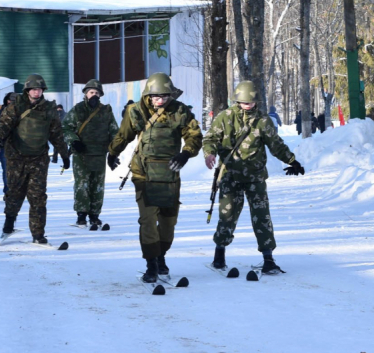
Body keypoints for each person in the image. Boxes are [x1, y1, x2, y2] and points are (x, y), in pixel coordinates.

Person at [108, 73, 203, 283]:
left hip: (169, 174)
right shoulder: (136, 111)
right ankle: (151, 263)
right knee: (148, 220)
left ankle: (161, 255)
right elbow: (123, 135)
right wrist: (113, 152)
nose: (160, 100)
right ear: (148, 95)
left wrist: (186, 153)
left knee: (168, 222)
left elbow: (194, 135)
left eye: (165, 96)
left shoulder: (180, 111)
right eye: (156, 96)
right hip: (143, 173)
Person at [204, 81, 305, 275]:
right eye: (244, 101)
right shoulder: (225, 117)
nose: (248, 104)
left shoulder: (262, 120)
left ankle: (268, 258)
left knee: (262, 216)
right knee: (227, 215)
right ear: (237, 100)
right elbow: (210, 139)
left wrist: (292, 161)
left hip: (255, 177)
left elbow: (276, 145)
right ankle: (219, 255)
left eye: (251, 101)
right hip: (230, 175)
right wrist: (209, 153)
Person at [0, 74, 70, 244]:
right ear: (27, 90)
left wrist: (64, 153)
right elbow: (3, 124)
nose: (37, 91)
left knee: (38, 197)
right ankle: (8, 226)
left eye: (40, 89)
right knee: (14, 194)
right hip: (16, 157)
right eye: (34, 89)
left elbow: (56, 133)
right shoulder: (16, 106)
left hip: (39, 159)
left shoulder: (49, 109)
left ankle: (38, 234)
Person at [62, 79, 119, 229]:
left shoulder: (106, 111)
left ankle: (95, 216)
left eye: (96, 93)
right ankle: (81, 215)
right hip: (81, 155)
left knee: (97, 186)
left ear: (100, 95)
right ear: (86, 94)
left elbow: (114, 132)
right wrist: (74, 141)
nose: (94, 95)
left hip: (99, 154)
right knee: (82, 185)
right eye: (91, 92)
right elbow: (66, 128)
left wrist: (114, 152)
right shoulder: (78, 110)